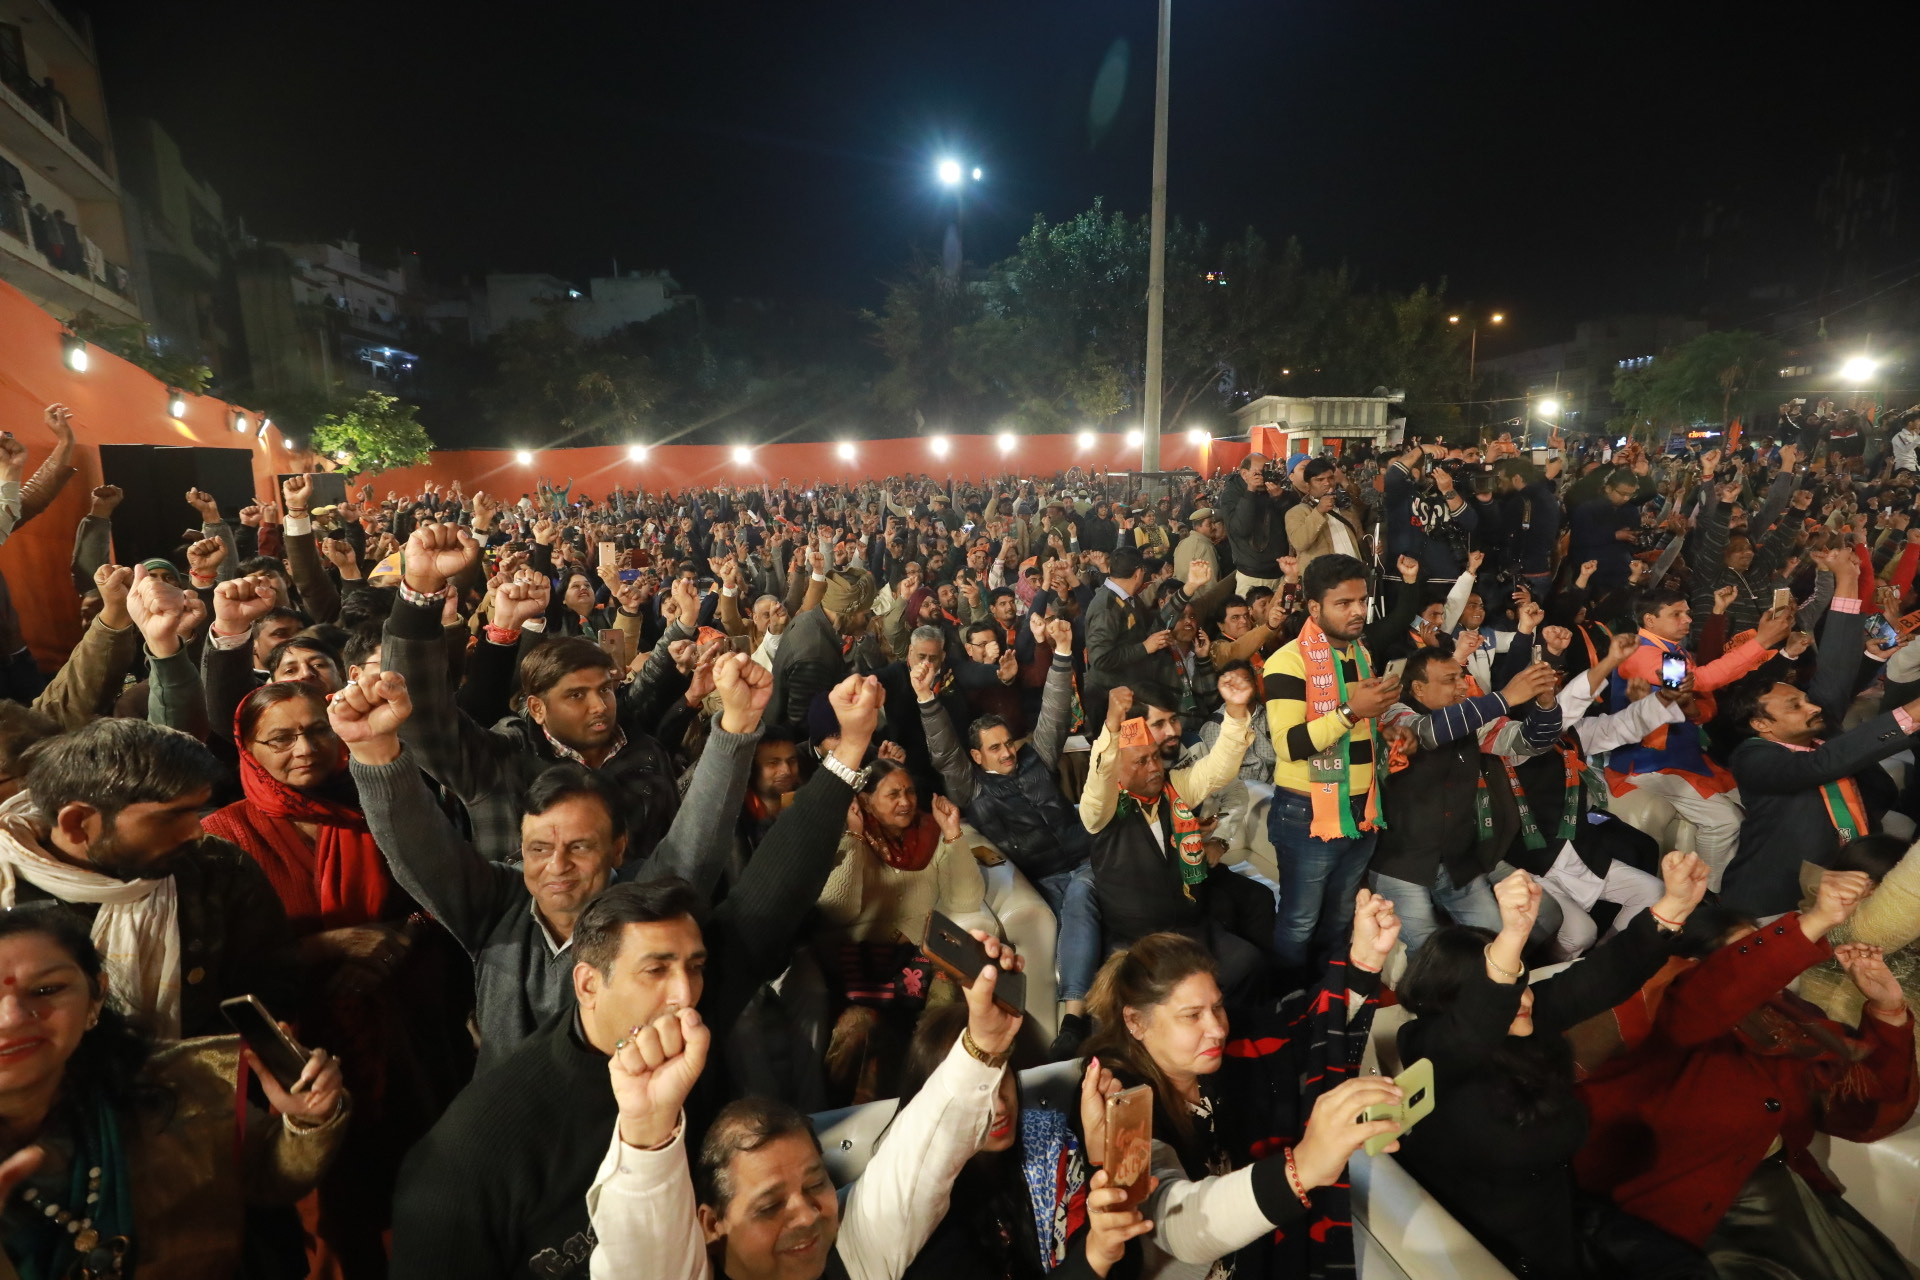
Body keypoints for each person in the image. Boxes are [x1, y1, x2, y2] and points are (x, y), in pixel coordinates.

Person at [387, 674, 886, 1280]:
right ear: (588, 982)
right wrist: (375, 756)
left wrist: (850, 750)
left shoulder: (682, 1016)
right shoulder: (475, 1154)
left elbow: (769, 896)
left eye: (695, 967)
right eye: (655, 970)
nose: (686, 994)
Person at [336, 652, 770, 1072]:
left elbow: (698, 839)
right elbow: (421, 849)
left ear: (618, 848)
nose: (556, 866)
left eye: (580, 847)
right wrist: (374, 752)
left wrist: (736, 728)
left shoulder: (642, 902)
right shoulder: (496, 904)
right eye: (539, 849)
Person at [581, 932, 1079, 1280]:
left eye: (816, 1185)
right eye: (769, 1205)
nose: (805, 1216)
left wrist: (985, 1041)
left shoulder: (851, 1260)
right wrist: (646, 1128)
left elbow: (922, 1154)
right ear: (712, 1225)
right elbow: (642, 1257)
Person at [1576, 876, 1918, 1278]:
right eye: (1750, 952)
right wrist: (1816, 920)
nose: (1770, 968)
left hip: (1791, 1206)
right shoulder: (1657, 1021)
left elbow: (1866, 1108)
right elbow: (1712, 994)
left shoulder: (1783, 1021)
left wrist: (1887, 1011)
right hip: (1682, 1228)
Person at [1394, 860, 1715, 1278]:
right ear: (1452, 1001)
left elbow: (1599, 978)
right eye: (1509, 989)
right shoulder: (1429, 1048)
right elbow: (1472, 1030)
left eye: (1523, 984)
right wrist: (1511, 934)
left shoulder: (1524, 1023)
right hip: (1492, 1251)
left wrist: (1672, 906)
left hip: (1560, 1220)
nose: (1524, 998)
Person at [0, 907, 349, 1280]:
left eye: (46, 990)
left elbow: (266, 1178)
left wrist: (307, 1116)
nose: (12, 1017)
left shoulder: (178, 1084)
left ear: (96, 997)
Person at [1075, 891, 1405, 1279]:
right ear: (1135, 1022)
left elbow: (1307, 1030)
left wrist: (1363, 960)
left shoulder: (1234, 1044)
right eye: (1191, 1016)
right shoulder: (1114, 1088)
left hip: (1257, 1250)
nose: (1216, 1029)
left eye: (1217, 1007)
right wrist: (1304, 1166)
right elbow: (1174, 1223)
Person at [381, 522, 687, 866]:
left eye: (604, 689)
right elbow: (421, 718)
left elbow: (677, 857)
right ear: (537, 708)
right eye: (576, 695)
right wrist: (421, 591)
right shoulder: (502, 762)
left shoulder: (647, 755)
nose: (599, 705)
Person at [0, 717, 297, 1040]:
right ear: (76, 823)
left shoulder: (219, 868)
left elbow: (268, 992)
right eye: (170, 817)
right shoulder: (9, 891)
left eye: (195, 811)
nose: (196, 831)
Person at [922, 617, 1099, 1042]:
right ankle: (1078, 1018)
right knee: (1080, 908)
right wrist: (926, 699)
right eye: (996, 748)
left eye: (1008, 744)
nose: (1007, 754)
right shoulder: (973, 786)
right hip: (1048, 878)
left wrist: (1061, 653)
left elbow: (1055, 715)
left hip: (1090, 860)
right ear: (978, 756)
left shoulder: (1034, 758)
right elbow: (945, 753)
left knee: (1084, 893)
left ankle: (1074, 1016)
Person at [1720, 549, 1920, 915]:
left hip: (1852, 880)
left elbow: (1836, 669)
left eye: (1803, 698)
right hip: (1778, 903)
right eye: (1794, 706)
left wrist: (1846, 580)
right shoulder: (1753, 758)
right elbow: (1818, 766)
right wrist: (1907, 714)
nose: (1811, 707)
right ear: (1761, 724)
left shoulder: (1814, 724)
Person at [1080, 674, 1271, 997]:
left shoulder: (1173, 787)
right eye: (1141, 761)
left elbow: (1217, 771)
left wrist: (1237, 714)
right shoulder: (1103, 808)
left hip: (1189, 927)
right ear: (1118, 770)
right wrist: (1112, 726)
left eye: (1154, 756)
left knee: (1249, 963)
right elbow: (1100, 776)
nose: (1154, 767)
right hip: (1140, 942)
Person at [1262, 553, 1402, 976]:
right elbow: (1288, 744)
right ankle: (1286, 1003)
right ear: (1315, 608)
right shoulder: (1287, 661)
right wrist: (1351, 711)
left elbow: (1358, 728)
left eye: (1362, 600)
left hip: (1362, 808)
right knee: (1300, 921)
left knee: (1342, 916)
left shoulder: (1360, 654)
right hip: (1307, 810)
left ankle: (1325, 998)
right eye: (1344, 603)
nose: (1359, 611)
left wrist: (1388, 732)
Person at [1372, 647, 1563, 954]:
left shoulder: (1470, 721)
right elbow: (1426, 733)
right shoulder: (1394, 714)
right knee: (1427, 953)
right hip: (1402, 863)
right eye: (1450, 679)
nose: (1462, 685)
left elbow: (1532, 742)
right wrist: (1505, 697)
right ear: (1419, 688)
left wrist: (1545, 701)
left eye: (1461, 676)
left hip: (1456, 861)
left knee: (1497, 945)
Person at [1604, 587, 1791, 886]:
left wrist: (1693, 707)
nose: (1687, 619)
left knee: (1755, 801)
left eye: (1687, 612)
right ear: (1649, 620)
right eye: (1676, 614)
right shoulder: (1639, 652)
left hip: (1684, 757)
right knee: (1726, 821)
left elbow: (1704, 710)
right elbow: (1703, 681)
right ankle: (1711, 892)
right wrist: (1762, 642)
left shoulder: (1676, 652)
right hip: (1649, 762)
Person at [1082, 546, 1173, 729]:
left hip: (1125, 689)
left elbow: (1146, 623)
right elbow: (1100, 658)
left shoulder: (1126, 597)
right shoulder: (1106, 608)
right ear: (1139, 573)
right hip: (1107, 697)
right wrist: (1145, 647)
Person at [1218, 453, 1288, 594]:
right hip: (1253, 576)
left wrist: (1281, 498)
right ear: (1245, 474)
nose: (1265, 475)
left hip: (1280, 571)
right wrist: (1250, 491)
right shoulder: (1231, 494)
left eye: (1269, 469)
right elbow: (1240, 529)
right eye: (1261, 471)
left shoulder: (1271, 490)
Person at [1282, 457, 1365, 576]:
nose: (1327, 483)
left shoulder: (1346, 508)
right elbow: (1300, 543)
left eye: (1331, 478)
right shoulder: (1297, 512)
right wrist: (1319, 511)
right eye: (1319, 480)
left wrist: (1371, 546)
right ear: (1308, 485)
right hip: (1323, 581)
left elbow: (1360, 538)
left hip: (1354, 575)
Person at [1172, 507, 1222, 584]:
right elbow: (1211, 582)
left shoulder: (1182, 543)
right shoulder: (1205, 547)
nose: (1214, 527)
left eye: (1214, 523)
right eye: (1209, 524)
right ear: (1197, 527)